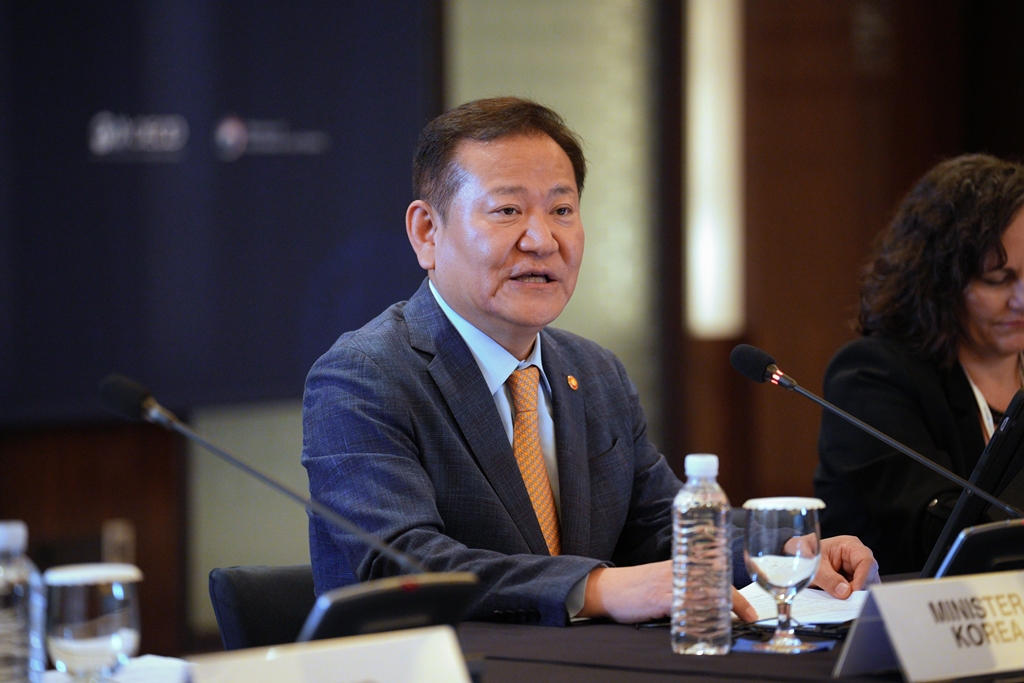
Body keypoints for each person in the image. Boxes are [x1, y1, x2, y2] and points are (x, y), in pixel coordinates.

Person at [304, 96, 877, 626]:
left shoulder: (595, 371)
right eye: (506, 210)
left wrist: (783, 547)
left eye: (562, 209)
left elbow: (658, 526)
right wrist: (600, 589)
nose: (541, 239)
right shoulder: (365, 376)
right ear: (427, 232)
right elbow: (403, 564)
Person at [815, 154, 1024, 574]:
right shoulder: (871, 376)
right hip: (901, 625)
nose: (1022, 299)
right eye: (998, 279)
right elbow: (935, 529)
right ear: (939, 280)